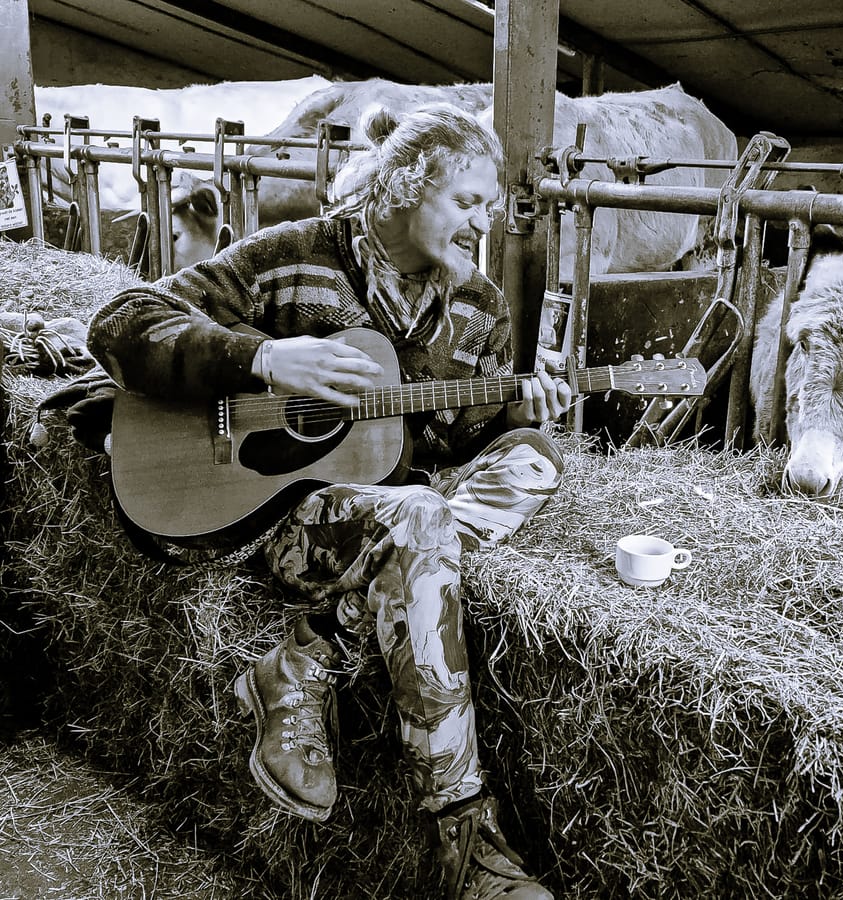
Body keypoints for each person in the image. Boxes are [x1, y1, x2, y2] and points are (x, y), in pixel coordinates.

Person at [87, 102, 571, 900]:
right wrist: (267, 358)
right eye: (468, 201)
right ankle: (466, 840)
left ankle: (312, 647)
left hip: (377, 512)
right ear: (404, 186)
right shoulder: (293, 257)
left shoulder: (480, 307)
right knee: (422, 518)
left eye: (487, 206)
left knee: (534, 463)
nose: (483, 224)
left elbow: (459, 441)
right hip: (275, 514)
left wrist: (522, 410)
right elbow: (119, 320)